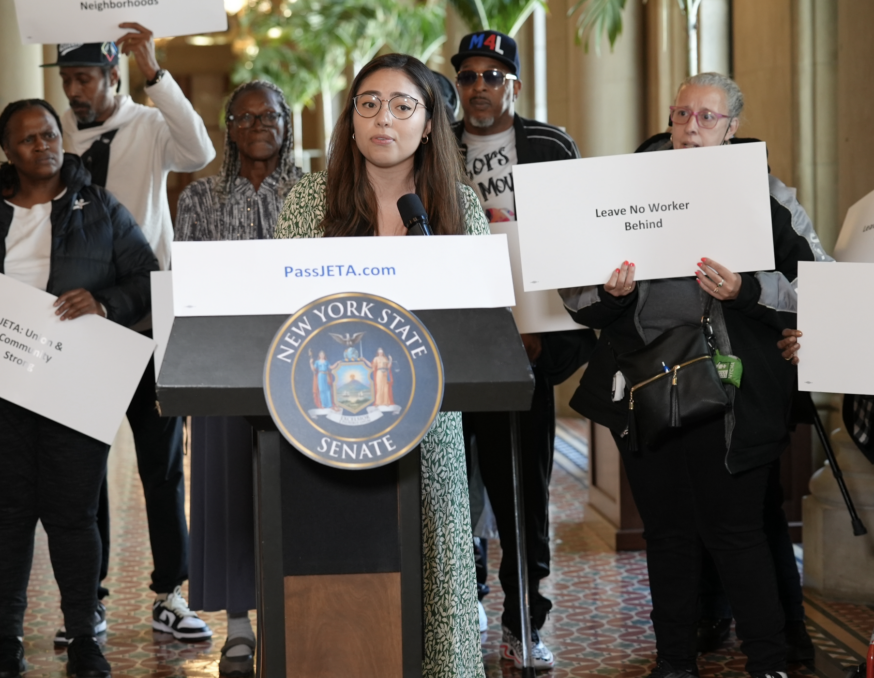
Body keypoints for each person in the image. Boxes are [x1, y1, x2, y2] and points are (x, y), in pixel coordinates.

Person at [560, 72, 829, 678]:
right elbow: (576, 298)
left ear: (732, 128)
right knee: (667, 535)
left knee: (737, 534)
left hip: (733, 394)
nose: (691, 127)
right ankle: (674, 662)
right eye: (682, 114)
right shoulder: (625, 188)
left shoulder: (764, 195)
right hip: (645, 388)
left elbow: (818, 283)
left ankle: (768, 662)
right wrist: (610, 293)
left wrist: (746, 289)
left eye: (708, 117)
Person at [0, 99, 157, 678]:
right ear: (6, 150)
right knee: (7, 518)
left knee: (74, 517)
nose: (44, 145)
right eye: (28, 139)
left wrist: (104, 303)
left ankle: (84, 638)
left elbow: (148, 277)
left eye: (50, 134)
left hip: (71, 388)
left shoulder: (99, 207)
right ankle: (7, 640)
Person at [275, 53, 488, 678]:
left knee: (431, 575)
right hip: (324, 423)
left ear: (429, 123)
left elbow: (480, 321)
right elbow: (280, 309)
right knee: (341, 584)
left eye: (401, 106)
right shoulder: (310, 200)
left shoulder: (457, 206)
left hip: (429, 422)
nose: (383, 119)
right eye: (368, 104)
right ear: (350, 120)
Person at [42, 24, 217, 642]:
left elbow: (198, 152)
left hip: (145, 320)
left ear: (112, 75)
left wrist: (155, 74)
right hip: (77, 326)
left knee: (162, 469)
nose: (74, 91)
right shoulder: (54, 136)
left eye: (84, 79)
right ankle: (86, 600)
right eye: (67, 80)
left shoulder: (148, 123)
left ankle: (171, 594)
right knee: (82, 472)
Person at [449, 29, 596, 669]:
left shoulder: (549, 147)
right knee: (452, 486)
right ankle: (465, 600)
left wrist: (547, 337)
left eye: (492, 76)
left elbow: (577, 242)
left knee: (521, 493)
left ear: (513, 84)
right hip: (452, 343)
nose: (479, 87)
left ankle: (525, 622)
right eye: (468, 76)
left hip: (527, 348)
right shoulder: (436, 144)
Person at [173, 79, 302, 677]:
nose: (258, 126)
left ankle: (295, 610)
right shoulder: (199, 198)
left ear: (286, 123)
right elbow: (187, 286)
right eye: (244, 118)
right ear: (227, 128)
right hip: (222, 364)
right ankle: (239, 626)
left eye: (269, 115)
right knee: (225, 491)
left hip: (299, 364)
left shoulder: (313, 194)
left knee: (297, 488)